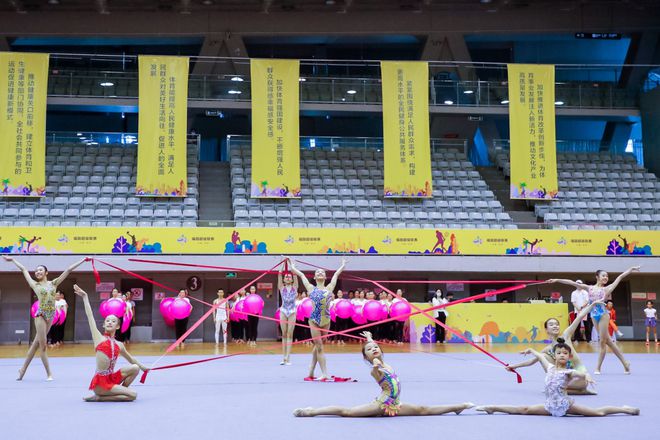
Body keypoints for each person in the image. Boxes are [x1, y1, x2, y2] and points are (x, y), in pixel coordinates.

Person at [294, 331, 474, 417]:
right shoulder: (377, 365)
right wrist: (375, 366)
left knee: (423, 409)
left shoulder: (382, 358)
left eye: (375, 348)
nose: (374, 349)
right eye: (370, 350)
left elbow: (373, 348)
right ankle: (312, 411)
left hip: (395, 403)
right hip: (383, 405)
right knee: (347, 412)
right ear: (366, 356)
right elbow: (375, 366)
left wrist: (370, 339)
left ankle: (457, 406)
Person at [476, 339, 639, 417]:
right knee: (523, 410)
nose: (562, 355)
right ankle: (493, 407)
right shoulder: (550, 367)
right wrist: (531, 350)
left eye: (565, 353)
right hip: (549, 406)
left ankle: (624, 409)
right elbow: (540, 356)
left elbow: (580, 374)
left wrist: (587, 375)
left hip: (566, 405)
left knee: (598, 413)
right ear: (554, 356)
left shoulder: (568, 372)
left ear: (568, 357)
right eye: (559, 353)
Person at [3, 255, 86, 381]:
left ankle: (22, 370)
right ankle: (49, 374)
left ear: (46, 272)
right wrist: (13, 260)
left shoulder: (54, 283)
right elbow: (24, 269)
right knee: (43, 346)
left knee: (35, 345)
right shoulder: (35, 285)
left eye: (40, 270)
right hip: (41, 315)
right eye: (36, 271)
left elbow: (68, 270)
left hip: (51, 315)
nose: (38, 272)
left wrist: (83, 260)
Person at [548, 266, 639, 374]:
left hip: (603, 315)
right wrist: (557, 280)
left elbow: (620, 277)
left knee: (602, 341)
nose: (606, 277)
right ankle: (625, 363)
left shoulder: (607, 289)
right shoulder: (589, 288)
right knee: (608, 341)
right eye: (603, 275)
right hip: (593, 315)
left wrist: (631, 269)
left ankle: (598, 368)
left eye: (607, 276)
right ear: (597, 277)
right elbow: (572, 283)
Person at [505, 301, 602, 395]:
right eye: (551, 325)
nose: (555, 326)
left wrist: (592, 305)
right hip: (563, 378)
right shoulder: (548, 349)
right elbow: (532, 361)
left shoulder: (566, 335)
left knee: (580, 383)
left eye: (556, 324)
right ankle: (573, 390)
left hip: (578, 376)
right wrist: (514, 366)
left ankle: (569, 389)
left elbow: (580, 316)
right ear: (546, 330)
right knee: (542, 356)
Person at [73, 285, 149, 402]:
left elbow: (132, 360)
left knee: (135, 368)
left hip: (111, 378)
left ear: (118, 326)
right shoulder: (98, 338)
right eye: (107, 321)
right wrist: (85, 297)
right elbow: (90, 316)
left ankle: (118, 391)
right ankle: (100, 397)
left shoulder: (119, 344)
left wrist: (144, 368)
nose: (109, 323)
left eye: (113, 321)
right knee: (133, 395)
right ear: (103, 324)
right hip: (101, 383)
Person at [290, 258, 346, 381]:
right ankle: (325, 373)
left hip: (326, 320)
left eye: (322, 272)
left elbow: (336, 274)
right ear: (314, 277)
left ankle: (311, 369)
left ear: (325, 277)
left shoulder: (330, 288)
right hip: (314, 320)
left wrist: (342, 265)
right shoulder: (310, 288)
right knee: (319, 346)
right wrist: (293, 268)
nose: (320, 273)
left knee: (318, 346)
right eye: (317, 272)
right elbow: (301, 275)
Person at [278, 262, 299, 364]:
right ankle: (283, 358)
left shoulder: (295, 287)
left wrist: (291, 264)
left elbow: (295, 274)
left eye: (289, 276)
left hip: (292, 311)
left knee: (290, 334)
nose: (287, 277)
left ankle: (288, 357)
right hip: (283, 310)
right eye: (286, 276)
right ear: (283, 279)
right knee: (284, 334)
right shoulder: (281, 287)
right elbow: (279, 273)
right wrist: (283, 263)